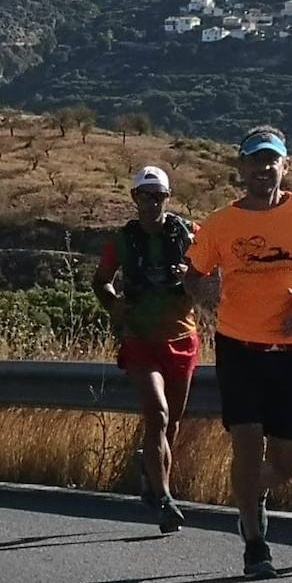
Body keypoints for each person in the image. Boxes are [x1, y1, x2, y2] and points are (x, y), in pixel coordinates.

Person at [184, 127, 292, 577]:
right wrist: (204, 289)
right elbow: (191, 277)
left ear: (285, 166)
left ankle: (248, 498)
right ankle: (255, 543)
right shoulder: (220, 224)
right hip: (240, 347)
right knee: (246, 443)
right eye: (255, 161)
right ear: (242, 168)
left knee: (285, 463)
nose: (263, 168)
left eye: (271, 160)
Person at [92, 166, 200, 533]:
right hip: (140, 338)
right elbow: (101, 282)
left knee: (172, 423)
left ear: (168, 199)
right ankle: (166, 499)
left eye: (159, 196)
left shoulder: (189, 234)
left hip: (182, 338)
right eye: (146, 196)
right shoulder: (122, 240)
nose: (153, 203)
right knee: (157, 415)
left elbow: (212, 275)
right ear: (135, 198)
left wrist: (192, 278)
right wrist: (114, 306)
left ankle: (150, 476)